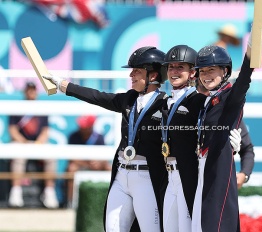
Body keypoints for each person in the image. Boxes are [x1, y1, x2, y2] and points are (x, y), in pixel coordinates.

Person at [43, 46, 168, 232]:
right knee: (112, 228)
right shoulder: (128, 99)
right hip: (122, 174)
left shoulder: (166, 104)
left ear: (154, 75)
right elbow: (97, 97)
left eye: (137, 71)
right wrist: (64, 85)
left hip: (146, 177)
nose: (131, 75)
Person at [191, 25, 262, 232]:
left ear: (224, 71)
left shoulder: (230, 97)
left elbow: (244, 79)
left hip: (218, 172)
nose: (206, 75)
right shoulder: (204, 101)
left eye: (211, 70)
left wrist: (253, 46)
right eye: (203, 71)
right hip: (199, 172)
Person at [160, 45, 241, 232]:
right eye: (170, 67)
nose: (174, 71)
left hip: (194, 174)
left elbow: (230, 118)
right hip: (178, 173)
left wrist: (237, 143)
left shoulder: (199, 100)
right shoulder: (171, 101)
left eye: (180, 67)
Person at [196, 77, 255, 189]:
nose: (206, 92)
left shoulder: (227, 117)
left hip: (216, 181)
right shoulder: (189, 112)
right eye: (202, 86)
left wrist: (244, 174)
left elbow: (247, 149)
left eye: (211, 88)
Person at [8, 81, 59, 209]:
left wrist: (39, 142)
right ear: (25, 92)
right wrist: (23, 142)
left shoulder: (42, 109)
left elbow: (45, 131)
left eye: (33, 90)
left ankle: (49, 192)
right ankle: (16, 192)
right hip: (20, 142)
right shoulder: (17, 108)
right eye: (29, 90)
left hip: (37, 143)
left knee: (51, 157)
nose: (31, 92)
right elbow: (13, 130)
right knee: (18, 156)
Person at [66, 115, 111, 207]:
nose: (81, 128)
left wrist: (98, 163)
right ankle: (70, 202)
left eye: (84, 126)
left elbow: (104, 156)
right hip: (81, 164)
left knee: (109, 168)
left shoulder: (99, 137)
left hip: (95, 164)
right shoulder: (73, 136)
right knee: (71, 168)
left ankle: (110, 201)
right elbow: (71, 158)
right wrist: (87, 164)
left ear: (90, 127)